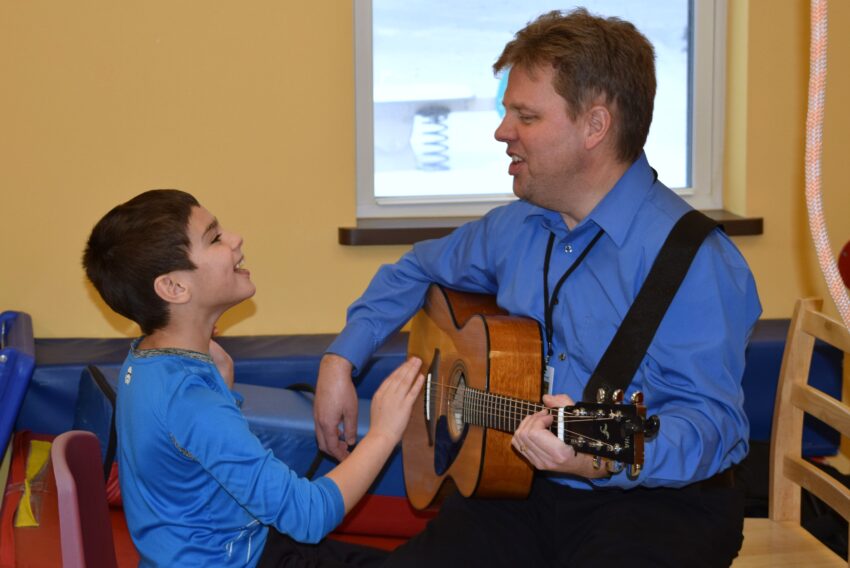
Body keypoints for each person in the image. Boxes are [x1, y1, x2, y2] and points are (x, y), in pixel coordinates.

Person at [315, 9, 761, 568]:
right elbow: (416, 269)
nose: (502, 132)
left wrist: (600, 459)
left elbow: (712, 424)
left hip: (659, 504)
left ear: (594, 126)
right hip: (521, 487)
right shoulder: (517, 228)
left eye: (525, 115)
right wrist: (340, 360)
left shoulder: (697, 261)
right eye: (507, 112)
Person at [82, 189, 424, 567]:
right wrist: (384, 432)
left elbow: (183, 455)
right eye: (214, 238)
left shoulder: (146, 360)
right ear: (175, 288)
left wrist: (221, 387)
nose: (236, 238)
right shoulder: (193, 401)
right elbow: (309, 517)